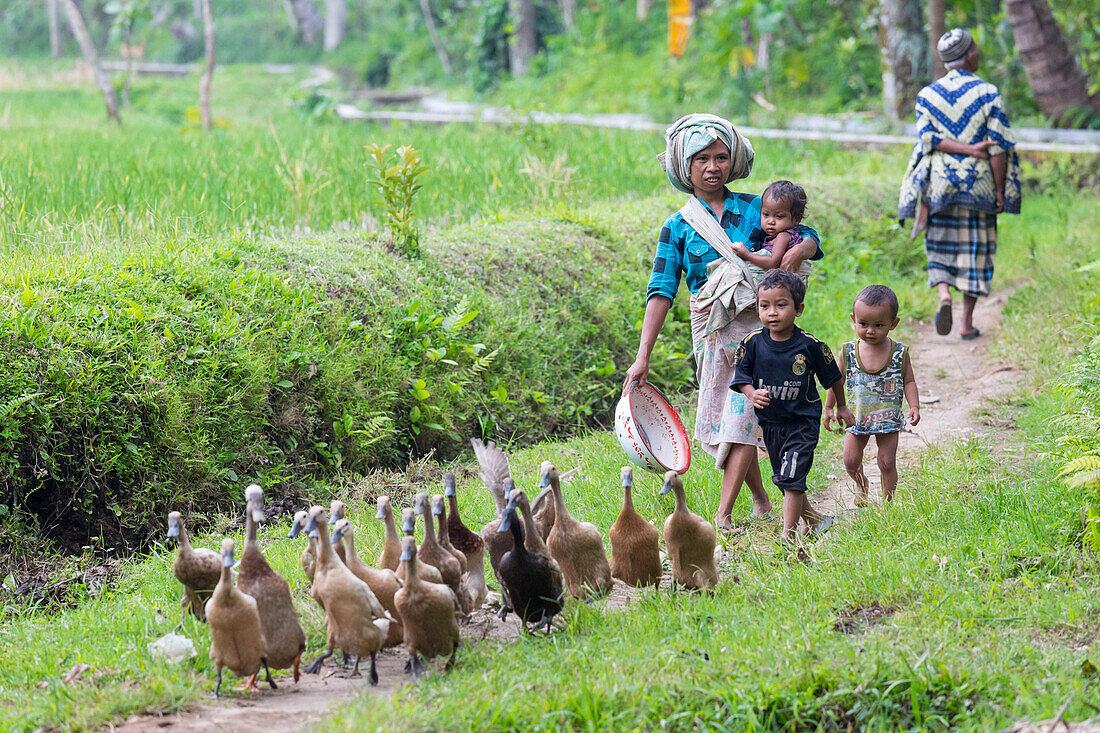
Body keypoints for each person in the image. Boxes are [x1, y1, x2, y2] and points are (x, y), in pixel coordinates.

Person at [622, 114, 823, 533]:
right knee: (734, 418)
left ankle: (726, 513)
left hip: (762, 329)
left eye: (720, 157)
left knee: (746, 413)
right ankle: (765, 500)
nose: (712, 167)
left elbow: (808, 232)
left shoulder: (756, 206)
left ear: (732, 162)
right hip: (713, 333)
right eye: (701, 159)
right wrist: (643, 357)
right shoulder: (677, 226)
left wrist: (801, 249)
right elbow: (660, 291)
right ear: (685, 166)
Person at [898, 28, 1021, 341]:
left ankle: (943, 295)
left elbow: (928, 139)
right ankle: (966, 323)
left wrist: (958, 149)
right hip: (977, 184)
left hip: (937, 184)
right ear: (968, 55)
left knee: (939, 243)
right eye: (975, 48)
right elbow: (997, 146)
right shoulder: (987, 93)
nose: (978, 52)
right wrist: (998, 189)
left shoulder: (927, 95)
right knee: (976, 250)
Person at [732, 270, 854, 541]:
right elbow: (741, 377)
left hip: (802, 422)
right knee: (784, 478)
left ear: (799, 309)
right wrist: (751, 394)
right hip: (771, 424)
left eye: (781, 305)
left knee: (791, 478)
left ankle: (788, 537)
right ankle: (814, 519)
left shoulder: (810, 345)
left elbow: (833, 378)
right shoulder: (752, 343)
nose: (772, 313)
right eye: (765, 306)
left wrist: (841, 407)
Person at [824, 285, 920, 504]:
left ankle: (888, 504)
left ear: (893, 323)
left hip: (888, 419)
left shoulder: (899, 353)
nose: (870, 331)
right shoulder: (847, 352)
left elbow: (909, 380)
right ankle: (861, 483)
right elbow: (836, 381)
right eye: (863, 324)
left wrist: (914, 406)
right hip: (855, 418)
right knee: (850, 461)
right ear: (854, 319)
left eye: (879, 325)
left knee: (886, 462)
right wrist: (830, 407)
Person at [730, 180, 809, 273]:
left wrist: (747, 255)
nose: (770, 221)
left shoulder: (783, 236)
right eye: (766, 214)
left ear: (797, 219)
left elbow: (773, 263)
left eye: (779, 216)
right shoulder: (776, 236)